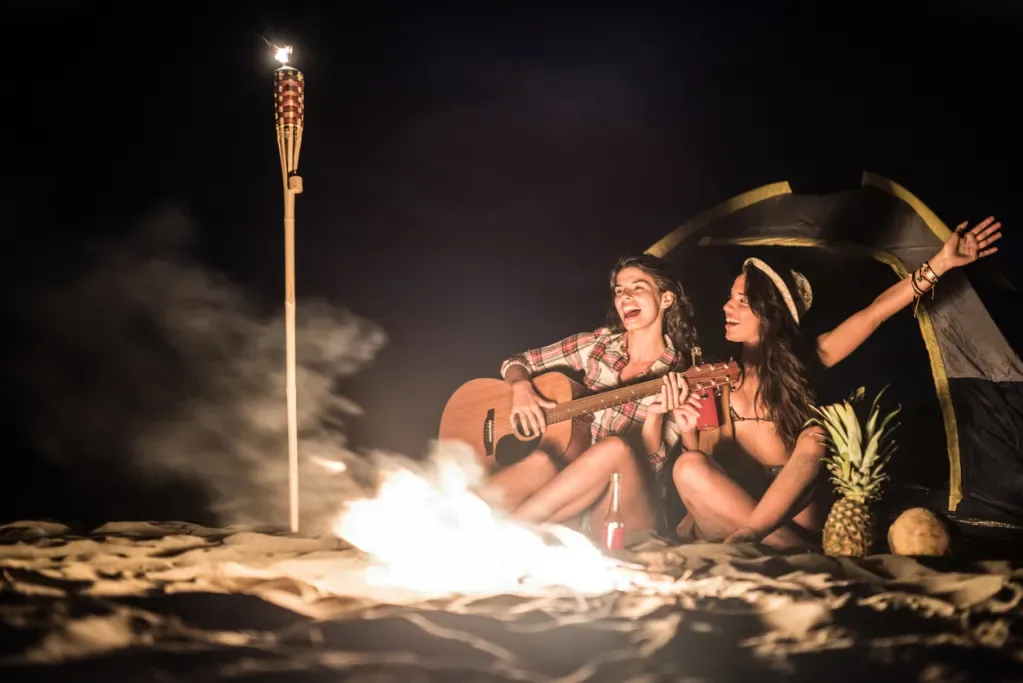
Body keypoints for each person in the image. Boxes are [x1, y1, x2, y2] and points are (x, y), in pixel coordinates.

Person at [663, 216, 1003, 549]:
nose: (727, 306)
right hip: (734, 509)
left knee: (815, 438)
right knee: (688, 465)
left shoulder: (808, 360)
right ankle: (773, 543)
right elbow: (707, 463)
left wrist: (940, 263)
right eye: (730, 296)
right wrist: (688, 429)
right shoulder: (720, 378)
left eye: (742, 299)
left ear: (773, 311)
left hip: (792, 511)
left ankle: (757, 536)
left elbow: (874, 313)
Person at [480, 254, 704, 540]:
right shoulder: (597, 345)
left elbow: (652, 467)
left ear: (666, 299)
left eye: (638, 288)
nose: (625, 298)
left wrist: (655, 417)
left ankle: (501, 535)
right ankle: (449, 521)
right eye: (620, 291)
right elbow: (516, 362)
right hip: (569, 500)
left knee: (615, 449)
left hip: (623, 508)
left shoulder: (680, 376)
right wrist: (520, 388)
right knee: (540, 463)